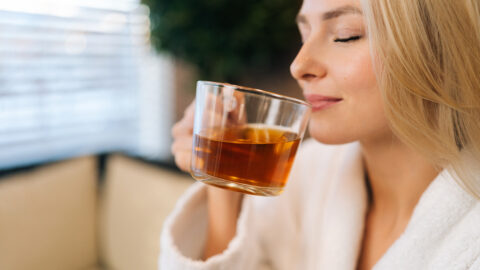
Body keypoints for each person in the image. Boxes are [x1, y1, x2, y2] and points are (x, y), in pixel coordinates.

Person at [161, 0, 480, 269]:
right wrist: (223, 185)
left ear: (438, 50)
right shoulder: (305, 174)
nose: (299, 65)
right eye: (304, 34)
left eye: (345, 35)